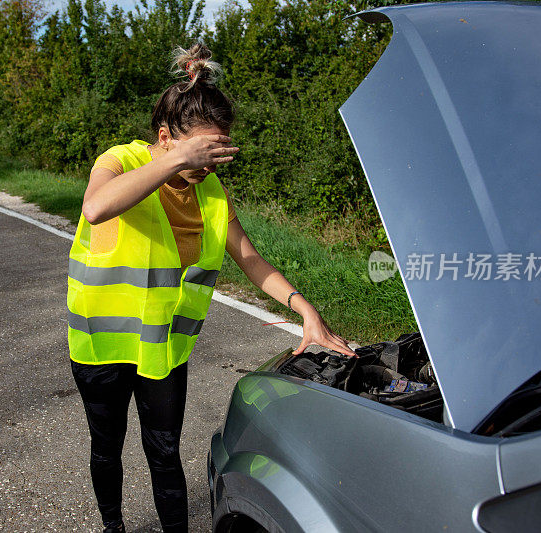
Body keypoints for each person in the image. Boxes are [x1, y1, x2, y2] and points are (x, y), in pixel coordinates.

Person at [67, 43, 355, 533]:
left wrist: (304, 308)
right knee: (106, 446)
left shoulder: (210, 191)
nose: (207, 166)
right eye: (201, 152)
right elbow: (96, 207)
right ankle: (112, 526)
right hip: (101, 342)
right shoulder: (120, 160)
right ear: (164, 137)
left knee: (165, 453)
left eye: (217, 153)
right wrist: (173, 161)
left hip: (162, 348)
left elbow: (249, 259)